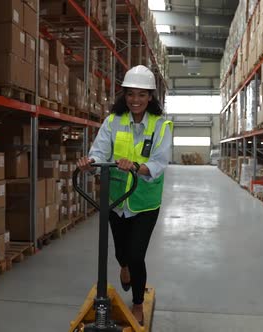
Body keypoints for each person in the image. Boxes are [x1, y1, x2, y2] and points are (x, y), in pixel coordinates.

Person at [77, 65, 173, 324]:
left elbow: (160, 162)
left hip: (145, 201)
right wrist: (91, 163)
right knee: (121, 254)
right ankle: (124, 267)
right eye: (131, 94)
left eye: (142, 95)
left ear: (150, 97)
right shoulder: (113, 121)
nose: (135, 100)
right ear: (124, 95)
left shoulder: (161, 126)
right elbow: (100, 150)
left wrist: (136, 167)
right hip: (117, 199)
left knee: (136, 255)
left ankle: (138, 303)